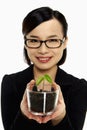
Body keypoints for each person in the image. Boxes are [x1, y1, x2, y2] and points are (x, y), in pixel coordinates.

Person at [1, 6, 87, 130]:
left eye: (52, 40)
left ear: (65, 42)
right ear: (26, 43)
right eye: (34, 40)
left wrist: (60, 117)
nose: (43, 50)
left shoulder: (79, 87)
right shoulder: (11, 83)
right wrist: (24, 115)